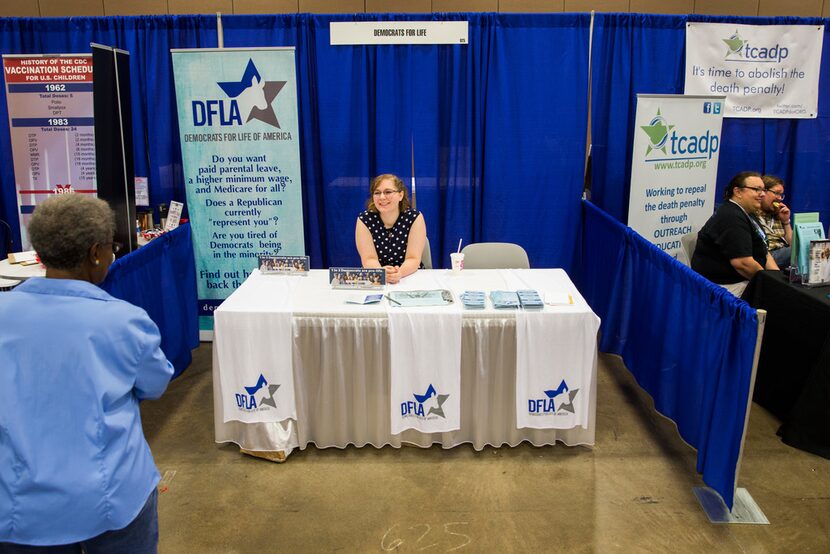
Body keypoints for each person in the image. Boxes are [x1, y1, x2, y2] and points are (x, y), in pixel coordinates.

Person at [0, 195, 173, 552]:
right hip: (111, 496)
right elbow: (156, 384)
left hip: (20, 504)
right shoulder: (124, 321)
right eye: (112, 247)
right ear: (96, 253)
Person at [692, 171, 779, 297]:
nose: (763, 194)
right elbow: (743, 263)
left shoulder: (748, 213)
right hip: (724, 287)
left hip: (744, 279)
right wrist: (770, 285)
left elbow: (764, 251)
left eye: (764, 190)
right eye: (757, 189)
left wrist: (777, 279)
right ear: (738, 192)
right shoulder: (731, 217)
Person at [355, 173, 426, 284]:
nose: (382, 197)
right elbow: (369, 259)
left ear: (400, 195)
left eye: (388, 192)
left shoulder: (414, 217)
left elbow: (413, 258)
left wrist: (399, 273)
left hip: (409, 277)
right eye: (377, 193)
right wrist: (380, 272)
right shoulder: (364, 219)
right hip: (376, 278)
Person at [757, 175, 792, 268]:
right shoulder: (752, 214)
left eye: (781, 195)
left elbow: (792, 243)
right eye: (776, 193)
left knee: (804, 249)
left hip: (783, 253)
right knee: (802, 250)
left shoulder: (778, 213)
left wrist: (786, 222)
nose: (779, 198)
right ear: (763, 192)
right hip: (766, 255)